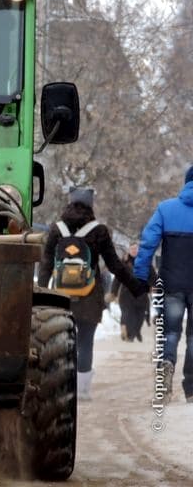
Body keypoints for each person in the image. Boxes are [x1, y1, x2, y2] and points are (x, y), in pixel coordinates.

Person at [37, 187, 139, 401]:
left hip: (60, 296)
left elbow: (46, 263)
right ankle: (82, 391)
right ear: (90, 205)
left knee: (60, 341)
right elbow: (115, 266)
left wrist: (44, 293)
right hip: (89, 296)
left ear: (70, 202)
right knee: (85, 341)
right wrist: (134, 285)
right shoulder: (99, 230)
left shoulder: (57, 229)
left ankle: (61, 386)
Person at [133, 165, 193, 403]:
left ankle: (165, 376)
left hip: (172, 284)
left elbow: (147, 245)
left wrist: (140, 275)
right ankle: (192, 390)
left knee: (170, 333)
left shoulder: (166, 209)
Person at [108, 243, 154, 343]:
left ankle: (136, 331)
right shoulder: (124, 263)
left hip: (141, 295)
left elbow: (152, 276)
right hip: (126, 295)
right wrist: (113, 292)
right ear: (129, 250)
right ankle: (130, 335)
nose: (134, 251)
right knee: (129, 315)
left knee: (140, 317)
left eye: (136, 249)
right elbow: (117, 279)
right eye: (132, 249)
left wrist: (152, 286)